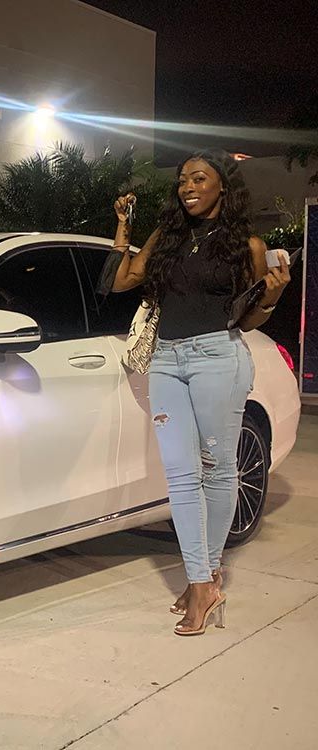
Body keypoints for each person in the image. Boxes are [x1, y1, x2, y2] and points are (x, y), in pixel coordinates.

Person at [109, 149, 291, 636]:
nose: (188, 186)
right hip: (166, 359)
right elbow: (121, 278)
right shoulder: (166, 237)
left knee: (217, 469)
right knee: (180, 474)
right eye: (183, 179)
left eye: (200, 178)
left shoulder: (246, 245)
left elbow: (247, 317)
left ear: (222, 188)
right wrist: (123, 227)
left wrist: (271, 294)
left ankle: (204, 579)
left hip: (218, 358)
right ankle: (201, 580)